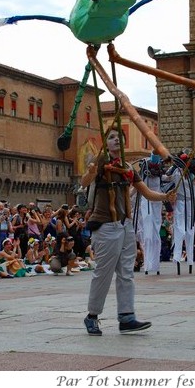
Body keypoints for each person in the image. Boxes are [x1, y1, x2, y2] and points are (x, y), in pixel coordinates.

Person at [80, 125, 176, 336]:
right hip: (105, 225)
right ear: (105, 142)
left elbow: (147, 192)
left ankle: (126, 317)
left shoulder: (129, 168)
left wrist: (165, 197)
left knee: (126, 273)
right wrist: (91, 172)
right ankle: (92, 316)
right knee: (103, 273)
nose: (116, 140)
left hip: (125, 227)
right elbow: (84, 182)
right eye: (111, 137)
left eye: (119, 137)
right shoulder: (100, 160)